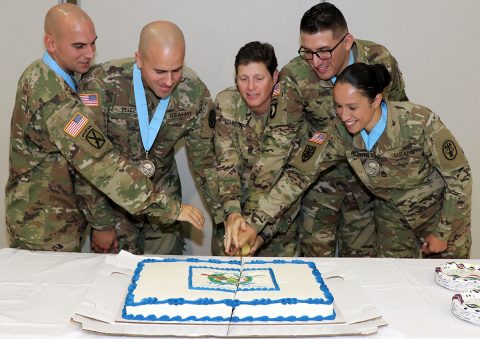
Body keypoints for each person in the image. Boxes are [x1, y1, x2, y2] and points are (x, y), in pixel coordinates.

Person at [5, 4, 204, 252]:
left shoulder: (58, 77)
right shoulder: (50, 92)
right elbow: (99, 160)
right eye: (79, 46)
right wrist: (168, 206)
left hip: (59, 221)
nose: (90, 53)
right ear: (51, 44)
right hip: (43, 227)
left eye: (92, 43)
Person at [225, 2, 408, 257]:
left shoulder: (379, 60)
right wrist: (253, 218)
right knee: (315, 265)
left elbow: (398, 117)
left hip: (368, 185)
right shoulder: (296, 76)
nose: (316, 62)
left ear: (347, 42)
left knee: (361, 266)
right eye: (307, 52)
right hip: (317, 182)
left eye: (323, 52)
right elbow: (276, 149)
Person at [240, 62, 472, 258]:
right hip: (393, 225)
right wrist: (254, 224)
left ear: (375, 100)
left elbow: (460, 178)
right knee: (394, 292)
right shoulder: (337, 132)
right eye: (338, 107)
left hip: (441, 217)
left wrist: (444, 233)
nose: (344, 116)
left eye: (352, 107)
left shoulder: (419, 123)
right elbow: (296, 176)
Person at [79, 20, 221, 254]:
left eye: (176, 70)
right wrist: (100, 224)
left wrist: (226, 215)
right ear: (139, 59)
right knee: (117, 281)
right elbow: (88, 160)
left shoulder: (193, 92)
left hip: (165, 204)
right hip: (116, 204)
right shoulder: (102, 84)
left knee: (165, 279)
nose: (168, 81)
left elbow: (204, 162)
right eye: (160, 71)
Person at [212, 41, 300, 256]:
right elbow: (226, 163)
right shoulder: (226, 103)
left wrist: (261, 232)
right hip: (234, 219)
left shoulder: (292, 110)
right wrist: (233, 214)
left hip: (277, 225)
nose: (250, 87)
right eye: (243, 79)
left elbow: (294, 179)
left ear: (275, 76)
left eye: (259, 78)